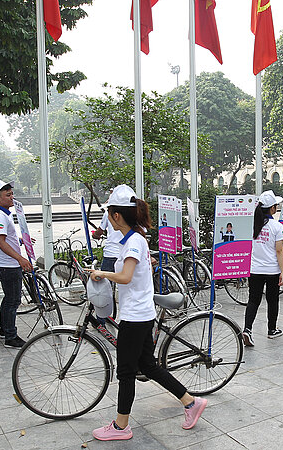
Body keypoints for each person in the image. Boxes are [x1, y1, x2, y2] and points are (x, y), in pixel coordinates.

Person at [86, 185, 207, 441]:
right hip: (140, 314)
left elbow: (126, 277)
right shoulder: (135, 239)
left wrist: (102, 274)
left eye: (109, 212)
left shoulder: (133, 242)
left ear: (117, 215)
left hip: (135, 317)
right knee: (148, 366)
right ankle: (190, 402)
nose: (108, 216)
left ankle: (121, 427)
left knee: (126, 372)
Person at [0, 180, 33, 349]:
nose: (12, 197)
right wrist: (20, 259)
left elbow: (6, 237)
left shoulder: (4, 214)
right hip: (8, 265)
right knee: (13, 300)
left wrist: (19, 240)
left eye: (12, 194)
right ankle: (11, 336)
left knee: (9, 300)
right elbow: (1, 242)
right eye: (8, 195)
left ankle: (3, 329)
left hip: (8, 263)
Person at [243, 190, 283, 346]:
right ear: (272, 209)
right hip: (272, 270)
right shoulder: (276, 226)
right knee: (272, 300)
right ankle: (271, 330)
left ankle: (247, 329)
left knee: (253, 300)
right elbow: (279, 250)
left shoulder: (253, 225)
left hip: (254, 269)